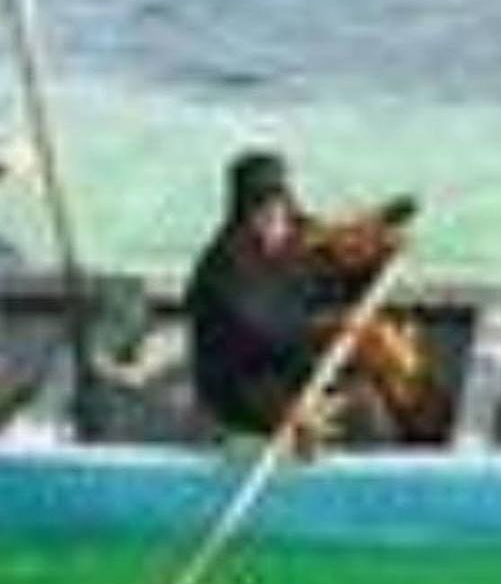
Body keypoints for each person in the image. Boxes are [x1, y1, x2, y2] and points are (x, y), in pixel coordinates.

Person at [184, 149, 440, 446]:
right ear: (243, 211)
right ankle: (308, 427)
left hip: (297, 356)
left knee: (391, 338)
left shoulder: (299, 232)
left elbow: (336, 261)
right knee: (364, 347)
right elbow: (266, 333)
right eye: (260, 209)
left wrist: (379, 251)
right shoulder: (224, 269)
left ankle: (428, 434)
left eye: (278, 205)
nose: (273, 219)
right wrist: (332, 325)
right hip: (247, 383)